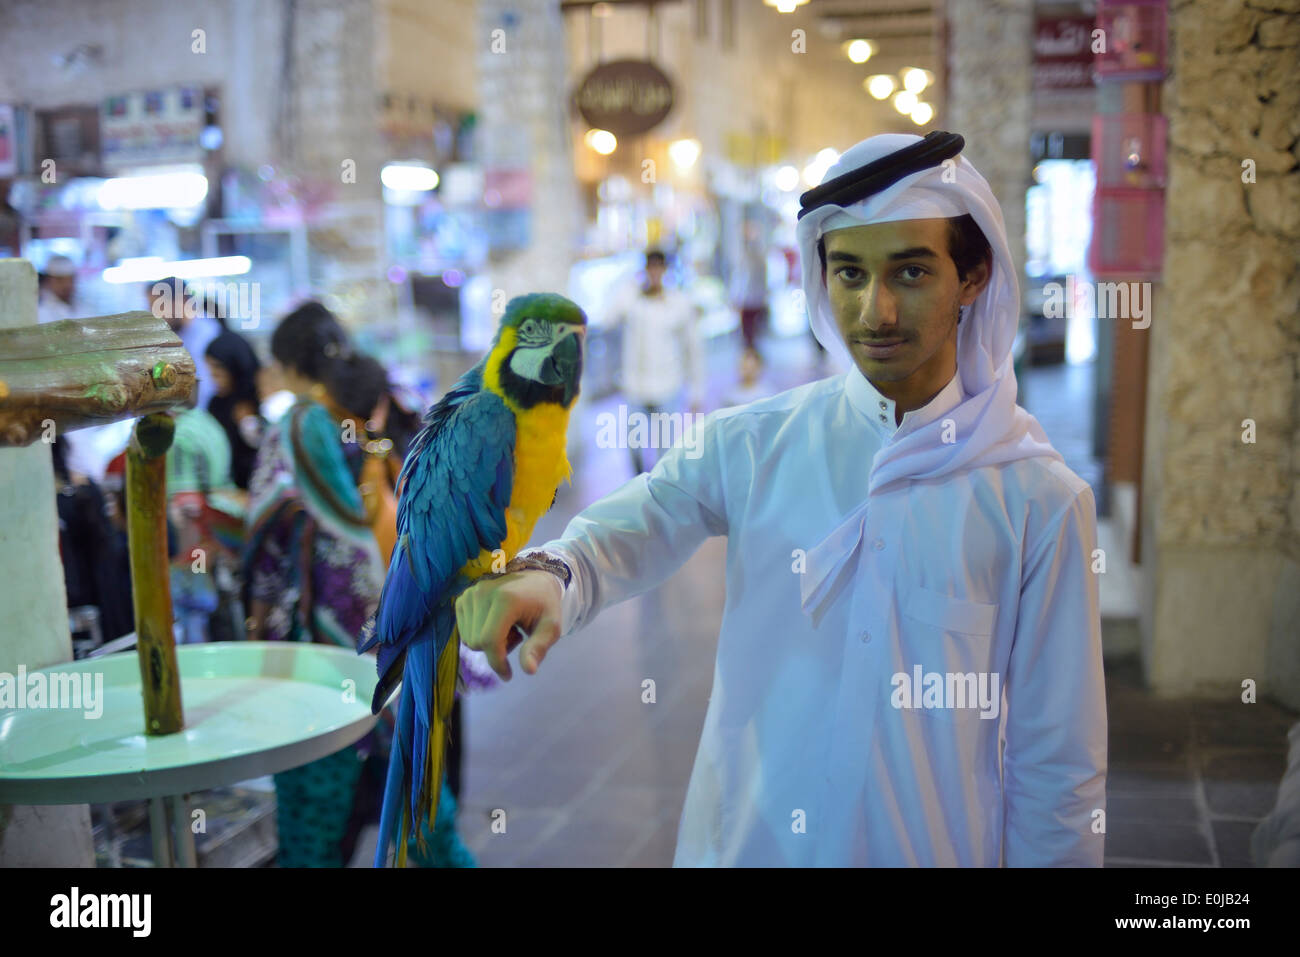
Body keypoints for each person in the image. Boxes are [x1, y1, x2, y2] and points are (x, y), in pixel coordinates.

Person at [452, 132, 1107, 867]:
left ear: (974, 274)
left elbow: (1059, 766)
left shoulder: (1037, 500)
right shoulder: (754, 443)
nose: (877, 310)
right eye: (850, 273)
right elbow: (635, 523)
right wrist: (553, 575)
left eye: (912, 271)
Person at [606, 248, 705, 473]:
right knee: (634, 449)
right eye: (650, 268)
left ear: (665, 270)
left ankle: (660, 500)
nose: (654, 273)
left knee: (665, 454)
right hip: (636, 388)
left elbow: (693, 349)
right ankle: (638, 493)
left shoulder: (678, 302)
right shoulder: (632, 300)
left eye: (659, 267)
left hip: (668, 387)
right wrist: (626, 286)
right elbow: (607, 318)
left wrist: (697, 390)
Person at [149, 277, 222, 411]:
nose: (155, 315)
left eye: (159, 307)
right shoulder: (174, 334)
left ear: (180, 301)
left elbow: (208, 387)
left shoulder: (207, 333)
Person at [205, 329, 265, 490]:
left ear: (235, 365)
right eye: (211, 371)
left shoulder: (261, 399)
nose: (214, 378)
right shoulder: (217, 403)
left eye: (218, 370)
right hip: (224, 487)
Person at [37, 254, 81, 325]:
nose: (67, 285)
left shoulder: (82, 306)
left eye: (70, 279)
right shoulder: (40, 312)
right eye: (60, 280)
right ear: (48, 280)